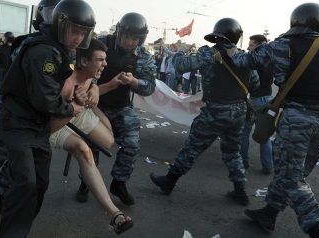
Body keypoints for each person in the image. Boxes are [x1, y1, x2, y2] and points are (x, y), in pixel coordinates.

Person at [227, 3, 319, 237]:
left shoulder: (281, 44)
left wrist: (228, 45)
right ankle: (269, 213)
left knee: (292, 177)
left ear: (295, 21)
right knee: (292, 172)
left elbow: (244, 62)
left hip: (296, 119)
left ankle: (315, 227)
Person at [0, 0, 95, 236]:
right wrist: (71, 108)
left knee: (39, 184)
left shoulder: (59, 49)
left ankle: (15, 226)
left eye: (83, 33)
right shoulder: (44, 51)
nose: (78, 38)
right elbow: (46, 99)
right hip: (19, 124)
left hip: (38, 127)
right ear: (61, 26)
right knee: (25, 184)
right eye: (74, 31)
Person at [0, 0, 63, 214]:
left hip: (35, 114)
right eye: (52, 12)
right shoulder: (33, 44)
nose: (56, 18)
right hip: (10, 108)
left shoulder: (66, 48)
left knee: (20, 160)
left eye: (60, 13)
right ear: (41, 16)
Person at [150, 18, 258, 206]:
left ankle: (169, 181)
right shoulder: (242, 56)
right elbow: (254, 83)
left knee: (192, 147)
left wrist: (179, 53)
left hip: (216, 109)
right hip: (238, 111)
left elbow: (182, 65)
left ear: (218, 34)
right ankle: (240, 191)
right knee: (233, 152)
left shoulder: (211, 52)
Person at [49, 39, 133, 234]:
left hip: (77, 112)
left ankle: (85, 155)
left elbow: (90, 91)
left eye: (105, 59)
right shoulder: (66, 84)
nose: (105, 64)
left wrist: (103, 87)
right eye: (101, 59)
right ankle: (114, 213)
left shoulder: (89, 76)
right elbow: (50, 127)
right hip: (58, 124)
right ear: (84, 61)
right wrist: (73, 108)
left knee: (108, 141)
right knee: (84, 151)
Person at [75, 12, 156, 206]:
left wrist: (133, 81)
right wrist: (93, 87)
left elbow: (150, 87)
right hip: (94, 104)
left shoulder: (144, 57)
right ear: (119, 33)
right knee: (91, 146)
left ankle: (119, 182)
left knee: (131, 144)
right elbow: (81, 70)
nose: (129, 42)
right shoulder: (100, 44)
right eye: (127, 36)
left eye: (134, 38)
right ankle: (86, 182)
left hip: (121, 107)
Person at [239, 34, 274, 174]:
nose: (248, 48)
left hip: (253, 101)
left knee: (244, 132)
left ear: (259, 46)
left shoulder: (253, 61)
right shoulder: (272, 59)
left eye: (251, 45)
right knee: (264, 134)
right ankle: (267, 166)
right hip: (268, 100)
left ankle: (243, 162)